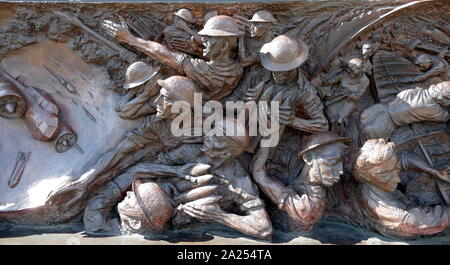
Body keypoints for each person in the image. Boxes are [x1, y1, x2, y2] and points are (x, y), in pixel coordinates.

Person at [117, 118, 273, 240]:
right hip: (146, 208)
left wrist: (220, 216)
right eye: (212, 132)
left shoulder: (238, 181)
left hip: (186, 232)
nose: (209, 137)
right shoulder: (190, 151)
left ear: (227, 154)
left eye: (217, 138)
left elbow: (264, 229)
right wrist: (175, 170)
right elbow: (138, 169)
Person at [102, 15, 244, 101]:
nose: (203, 40)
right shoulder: (236, 69)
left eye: (208, 38)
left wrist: (130, 39)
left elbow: (165, 55)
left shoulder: (207, 71)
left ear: (225, 45)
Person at [252, 132, 351, 231]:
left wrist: (268, 138)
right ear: (308, 159)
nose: (340, 170)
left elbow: (259, 174)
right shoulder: (303, 201)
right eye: (333, 162)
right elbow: (259, 174)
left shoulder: (308, 202)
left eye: (341, 162)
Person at [353, 139, 450, 238]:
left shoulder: (380, 171)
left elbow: (404, 159)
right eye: (386, 175)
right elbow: (421, 223)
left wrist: (434, 171)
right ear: (367, 177)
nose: (398, 179)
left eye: (395, 169)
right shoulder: (379, 206)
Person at [361, 81, 450, 141]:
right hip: (384, 125)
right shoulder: (433, 109)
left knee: (359, 125)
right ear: (442, 99)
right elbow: (444, 117)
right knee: (365, 139)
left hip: (378, 110)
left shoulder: (414, 91)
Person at [322, 58, 369, 134]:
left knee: (340, 119)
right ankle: (330, 132)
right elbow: (332, 81)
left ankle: (340, 135)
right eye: (350, 70)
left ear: (360, 69)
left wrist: (351, 95)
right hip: (337, 96)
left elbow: (358, 95)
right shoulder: (345, 74)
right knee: (331, 116)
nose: (350, 72)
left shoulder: (365, 81)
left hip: (350, 101)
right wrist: (324, 81)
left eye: (353, 71)